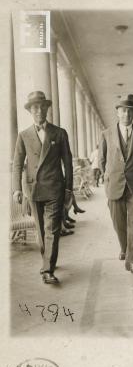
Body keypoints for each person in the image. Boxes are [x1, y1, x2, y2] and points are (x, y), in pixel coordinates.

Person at [12, 91, 73, 284]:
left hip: (54, 188)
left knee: (52, 229)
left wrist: (68, 189)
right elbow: (17, 163)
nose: (39, 110)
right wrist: (17, 189)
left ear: (47, 108)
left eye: (42, 106)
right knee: (40, 231)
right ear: (31, 110)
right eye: (35, 107)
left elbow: (68, 162)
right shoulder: (24, 135)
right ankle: (47, 259)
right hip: (33, 189)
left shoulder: (59, 133)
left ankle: (48, 269)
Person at [99, 94, 133, 275]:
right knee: (118, 223)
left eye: (130, 111)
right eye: (123, 111)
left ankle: (132, 260)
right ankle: (124, 247)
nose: (126, 114)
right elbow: (102, 161)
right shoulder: (106, 134)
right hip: (114, 185)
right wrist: (110, 177)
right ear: (117, 113)